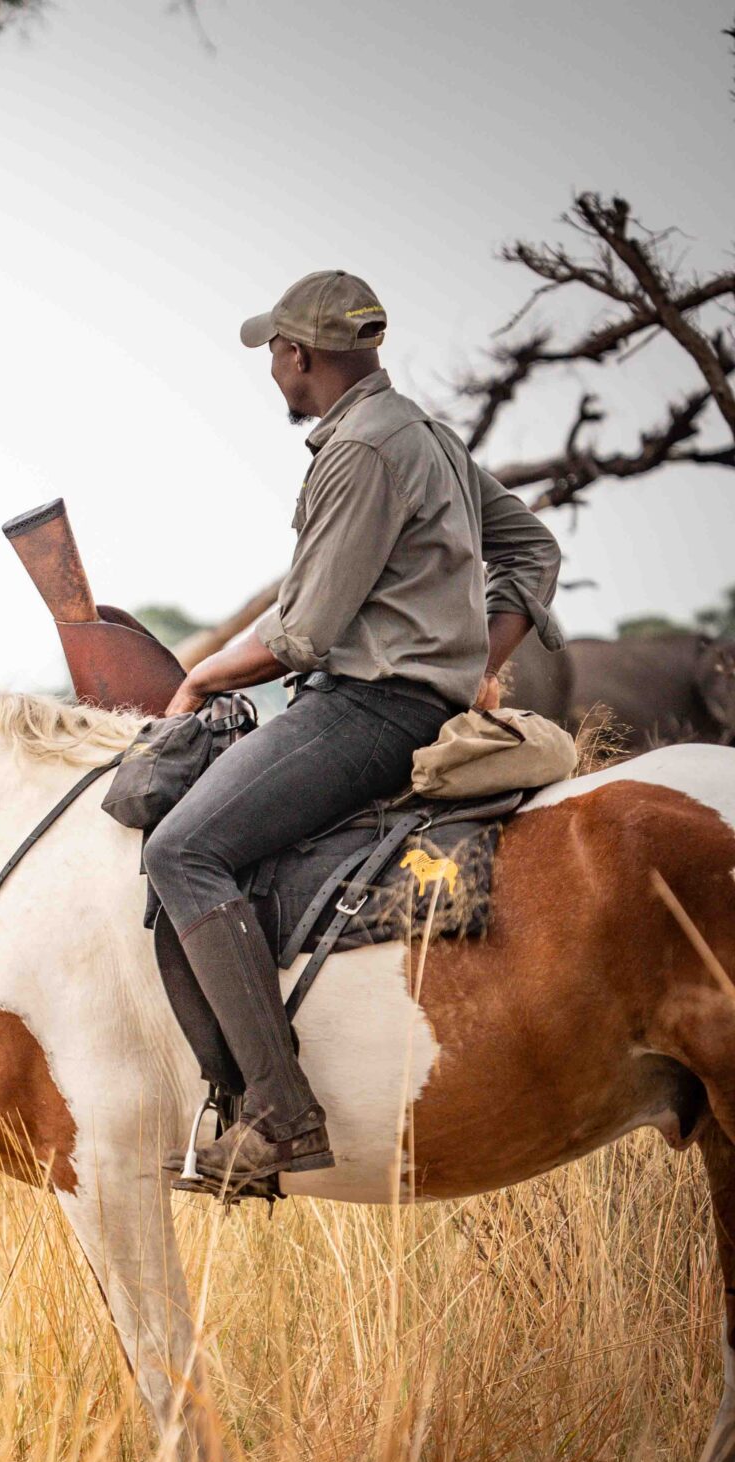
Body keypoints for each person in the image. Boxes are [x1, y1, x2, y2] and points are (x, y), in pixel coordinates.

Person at [150, 269, 563, 1192]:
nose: (272, 369)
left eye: (275, 354)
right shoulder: (426, 436)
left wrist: (199, 677)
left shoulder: (362, 452)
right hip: (421, 703)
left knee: (182, 851)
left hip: (367, 710)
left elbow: (303, 633)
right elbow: (534, 547)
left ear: (300, 357)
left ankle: (278, 1116)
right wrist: (484, 664)